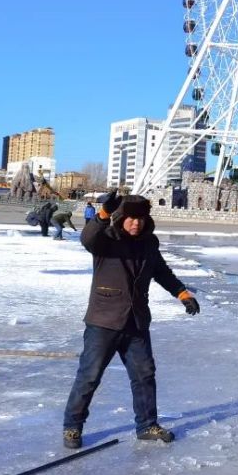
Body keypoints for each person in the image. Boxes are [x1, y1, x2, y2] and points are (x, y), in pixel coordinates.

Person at [62, 190, 201, 449]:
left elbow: (161, 272)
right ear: (121, 218)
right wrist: (104, 212)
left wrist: (182, 293)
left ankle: (147, 425)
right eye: (130, 218)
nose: (135, 223)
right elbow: (87, 237)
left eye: (140, 219)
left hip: (136, 322)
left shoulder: (149, 243)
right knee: (89, 376)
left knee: (144, 374)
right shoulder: (106, 239)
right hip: (103, 321)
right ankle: (72, 427)